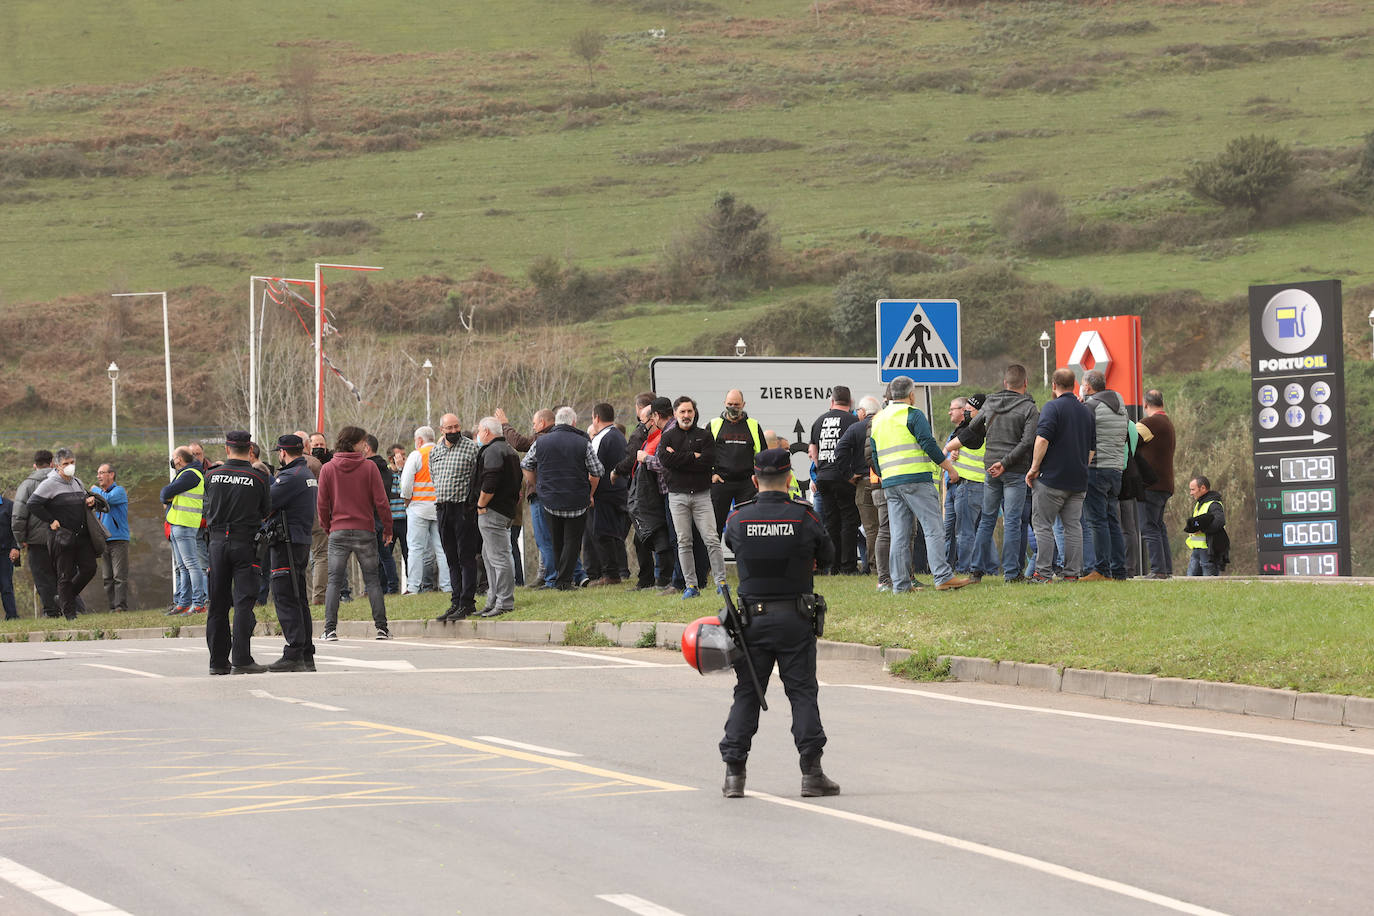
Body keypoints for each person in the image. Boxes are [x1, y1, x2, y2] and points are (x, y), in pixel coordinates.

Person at [719, 447, 838, 799]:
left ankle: (733, 775)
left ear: (754, 479)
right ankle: (811, 774)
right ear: (789, 478)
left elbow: (731, 544)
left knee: (747, 693)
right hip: (795, 619)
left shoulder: (738, 518)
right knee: (802, 693)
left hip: (751, 623)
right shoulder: (804, 516)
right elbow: (828, 556)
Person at [868, 376, 971, 593]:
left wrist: (886, 475)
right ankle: (942, 576)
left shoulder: (877, 419)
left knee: (899, 534)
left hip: (890, 482)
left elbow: (874, 455)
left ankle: (901, 585)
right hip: (915, 479)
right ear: (912, 395)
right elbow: (928, 444)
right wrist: (950, 469)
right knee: (933, 527)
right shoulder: (912, 414)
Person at [949, 364, 1039, 584]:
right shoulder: (1029, 409)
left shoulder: (990, 403)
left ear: (1005, 383)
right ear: (1025, 383)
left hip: (990, 469)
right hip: (1015, 470)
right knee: (1012, 521)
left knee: (987, 520)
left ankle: (975, 572)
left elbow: (973, 429)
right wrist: (1006, 463)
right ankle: (1011, 574)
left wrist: (952, 445)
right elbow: (1027, 442)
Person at [203, 431, 272, 674]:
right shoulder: (259, 477)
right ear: (250, 450)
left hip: (218, 542)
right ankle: (242, 659)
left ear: (227, 449)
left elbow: (206, 510)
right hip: (245, 543)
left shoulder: (211, 476)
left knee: (218, 604)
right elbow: (266, 511)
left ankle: (218, 662)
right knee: (244, 602)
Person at [317, 426, 393, 640]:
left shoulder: (328, 469)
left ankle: (329, 629)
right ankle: (382, 628)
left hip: (338, 530)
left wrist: (327, 527)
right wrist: (388, 528)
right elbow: (381, 502)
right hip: (364, 530)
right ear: (353, 443)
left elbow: (322, 504)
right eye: (362, 442)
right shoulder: (369, 468)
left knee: (334, 581)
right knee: (372, 580)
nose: (365, 446)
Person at [521, 407, 603, 590]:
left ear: (557, 422)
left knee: (556, 540)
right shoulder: (582, 442)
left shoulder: (541, 442)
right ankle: (564, 581)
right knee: (572, 542)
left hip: (549, 500)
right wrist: (589, 493)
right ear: (573, 422)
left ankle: (561, 578)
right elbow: (597, 470)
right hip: (576, 499)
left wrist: (537, 483)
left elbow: (526, 464)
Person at [1025, 368, 1095, 583]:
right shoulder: (1086, 412)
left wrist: (1034, 468)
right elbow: (1092, 448)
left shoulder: (1052, 407)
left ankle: (1043, 574)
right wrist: (1083, 465)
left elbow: (1042, 439)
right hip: (1078, 479)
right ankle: (1072, 573)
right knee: (1073, 526)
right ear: (1075, 385)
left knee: (1043, 525)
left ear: (1054, 386)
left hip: (1052, 478)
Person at [24, 450, 107, 621]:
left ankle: (63, 598)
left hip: (82, 535)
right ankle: (70, 614)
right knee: (65, 575)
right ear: (56, 465)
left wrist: (89, 501)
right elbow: (33, 504)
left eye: (72, 462)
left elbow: (80, 502)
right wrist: (50, 520)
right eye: (66, 464)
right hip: (62, 536)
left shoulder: (77, 482)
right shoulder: (49, 484)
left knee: (89, 568)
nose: (70, 466)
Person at [657, 396, 727, 599]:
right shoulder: (668, 437)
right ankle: (691, 586)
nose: (686, 415)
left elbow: (708, 460)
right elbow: (666, 461)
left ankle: (721, 583)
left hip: (702, 496)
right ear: (676, 414)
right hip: (677, 497)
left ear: (694, 413)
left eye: (689, 411)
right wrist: (692, 456)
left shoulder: (705, 436)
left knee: (712, 539)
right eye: (682, 412)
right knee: (684, 541)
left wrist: (680, 457)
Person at [266, 434, 318, 671]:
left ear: (283, 453)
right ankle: (306, 653)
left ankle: (294, 652)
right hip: (299, 541)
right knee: (299, 598)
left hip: (286, 542)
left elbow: (266, 502)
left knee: (286, 597)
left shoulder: (290, 477)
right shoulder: (306, 474)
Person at [430, 414, 481, 619]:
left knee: (466, 556)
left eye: (456, 426)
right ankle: (456, 600)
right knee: (450, 557)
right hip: (443, 508)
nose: (453, 431)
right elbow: (434, 476)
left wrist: (472, 503)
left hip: (463, 508)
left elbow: (478, 477)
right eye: (449, 428)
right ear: (441, 429)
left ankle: (467, 602)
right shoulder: (435, 451)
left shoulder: (471, 447)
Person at [1080, 371, 1129, 582]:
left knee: (1097, 522)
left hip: (1096, 468)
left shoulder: (1091, 407)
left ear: (1089, 388)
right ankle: (1118, 570)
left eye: (1082, 384)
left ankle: (1101, 570)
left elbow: (1083, 435)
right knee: (1112, 520)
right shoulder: (1120, 406)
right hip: (1116, 469)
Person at [471, 417, 522, 617]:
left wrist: (481, 503)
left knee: (498, 558)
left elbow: (490, 481)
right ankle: (493, 598)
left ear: (485, 431)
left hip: (492, 511)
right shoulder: (510, 450)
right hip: (506, 509)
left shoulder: (492, 451)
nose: (478, 435)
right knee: (488, 555)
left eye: (479, 431)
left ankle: (504, 602)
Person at [809, 386, 860, 574]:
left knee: (831, 522)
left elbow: (813, 452)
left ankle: (833, 566)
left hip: (823, 477)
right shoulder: (853, 421)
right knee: (849, 520)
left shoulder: (819, 421)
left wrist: (821, 467)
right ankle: (849, 566)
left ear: (832, 401)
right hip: (844, 477)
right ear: (850, 402)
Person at [628, 397, 676, 593]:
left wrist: (646, 458)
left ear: (653, 419)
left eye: (643, 421)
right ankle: (647, 579)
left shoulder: (662, 438)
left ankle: (662, 579)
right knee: (641, 539)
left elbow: (662, 464)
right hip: (647, 497)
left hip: (656, 497)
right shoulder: (652, 438)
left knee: (659, 538)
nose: (642, 426)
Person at [832, 395, 882, 577]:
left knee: (871, 528)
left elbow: (840, 451)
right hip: (887, 482)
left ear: (862, 412)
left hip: (865, 483)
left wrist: (848, 475)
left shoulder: (856, 428)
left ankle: (876, 567)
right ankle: (893, 566)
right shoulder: (885, 425)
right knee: (890, 526)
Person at [707, 389, 764, 533]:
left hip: (746, 484)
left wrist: (759, 477)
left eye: (737, 404)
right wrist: (711, 474)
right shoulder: (713, 425)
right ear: (724, 404)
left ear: (744, 404)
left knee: (747, 526)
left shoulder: (753, 425)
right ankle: (714, 557)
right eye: (730, 404)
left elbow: (763, 454)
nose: (733, 407)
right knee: (715, 527)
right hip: (721, 482)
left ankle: (745, 556)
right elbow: (704, 454)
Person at [12, 450, 61, 617]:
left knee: (43, 577)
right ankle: (70, 608)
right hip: (62, 537)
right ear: (52, 463)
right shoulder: (64, 481)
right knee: (63, 574)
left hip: (37, 541)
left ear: (34, 465)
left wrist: (21, 540)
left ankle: (51, 611)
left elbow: (18, 516)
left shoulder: (26, 485)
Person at [585, 402, 630, 586]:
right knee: (614, 534)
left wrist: (590, 494)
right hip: (620, 490)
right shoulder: (619, 435)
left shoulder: (600, 438)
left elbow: (593, 469)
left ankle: (610, 574)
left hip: (604, 493)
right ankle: (616, 571)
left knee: (602, 534)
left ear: (596, 417)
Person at [946, 394, 989, 581]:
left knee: (965, 533)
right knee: (962, 531)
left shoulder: (976, 429)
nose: (967, 413)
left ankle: (965, 570)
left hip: (969, 484)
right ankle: (963, 568)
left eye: (970, 410)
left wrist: (953, 448)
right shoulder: (973, 428)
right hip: (963, 485)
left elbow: (948, 446)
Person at [399, 426, 447, 595]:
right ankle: (447, 586)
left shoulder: (417, 455)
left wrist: (406, 501)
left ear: (419, 440)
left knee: (415, 549)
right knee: (442, 548)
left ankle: (413, 587)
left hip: (418, 507)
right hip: (440, 506)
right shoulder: (443, 453)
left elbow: (406, 484)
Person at [162, 446, 207, 615]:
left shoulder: (190, 474)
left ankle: (198, 603)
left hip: (185, 524)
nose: (172, 460)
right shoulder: (186, 473)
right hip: (178, 523)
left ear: (179, 459)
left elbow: (165, 492)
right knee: (183, 567)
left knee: (191, 565)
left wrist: (166, 496)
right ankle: (184, 603)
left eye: (174, 457)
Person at [1136, 389, 1176, 579]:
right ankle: (1166, 569)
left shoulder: (1149, 423)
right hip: (1165, 483)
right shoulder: (1167, 423)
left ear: (1145, 404)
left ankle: (1158, 569)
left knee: (1148, 527)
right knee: (1159, 526)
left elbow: (1128, 441)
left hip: (1150, 485)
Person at [361, 435, 401, 594]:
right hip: (383, 514)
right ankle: (392, 587)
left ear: (367, 448)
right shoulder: (386, 468)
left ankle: (371, 588)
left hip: (370, 515)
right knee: (385, 555)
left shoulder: (367, 467)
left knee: (368, 556)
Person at [91, 463, 130, 612]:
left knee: (119, 576)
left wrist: (94, 491)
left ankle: (121, 607)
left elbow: (106, 500)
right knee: (107, 577)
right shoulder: (100, 495)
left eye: (102, 473)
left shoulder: (119, 491)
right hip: (103, 541)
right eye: (98, 473)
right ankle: (112, 607)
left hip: (118, 539)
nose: (99, 476)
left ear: (111, 474)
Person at [1184, 476, 1228, 576]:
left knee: (1209, 585)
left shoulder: (1214, 504)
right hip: (1196, 550)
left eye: (1193, 489)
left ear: (1203, 488)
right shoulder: (1199, 504)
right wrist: (1194, 526)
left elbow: (1220, 522)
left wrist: (1202, 530)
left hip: (1209, 551)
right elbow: (1197, 522)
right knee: (1189, 583)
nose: (1191, 493)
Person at [387, 444, 410, 587]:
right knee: (386, 555)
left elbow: (406, 488)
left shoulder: (407, 472)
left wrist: (403, 470)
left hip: (405, 519)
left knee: (409, 553)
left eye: (404, 454)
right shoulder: (386, 474)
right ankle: (390, 586)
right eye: (400, 455)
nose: (404, 458)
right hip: (389, 520)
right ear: (391, 458)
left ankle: (412, 584)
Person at [0, 490, 16, 620]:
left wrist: (15, 547)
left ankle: (12, 616)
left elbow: (15, 528)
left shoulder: (9, 505)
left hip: (4, 554)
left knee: (6, 586)